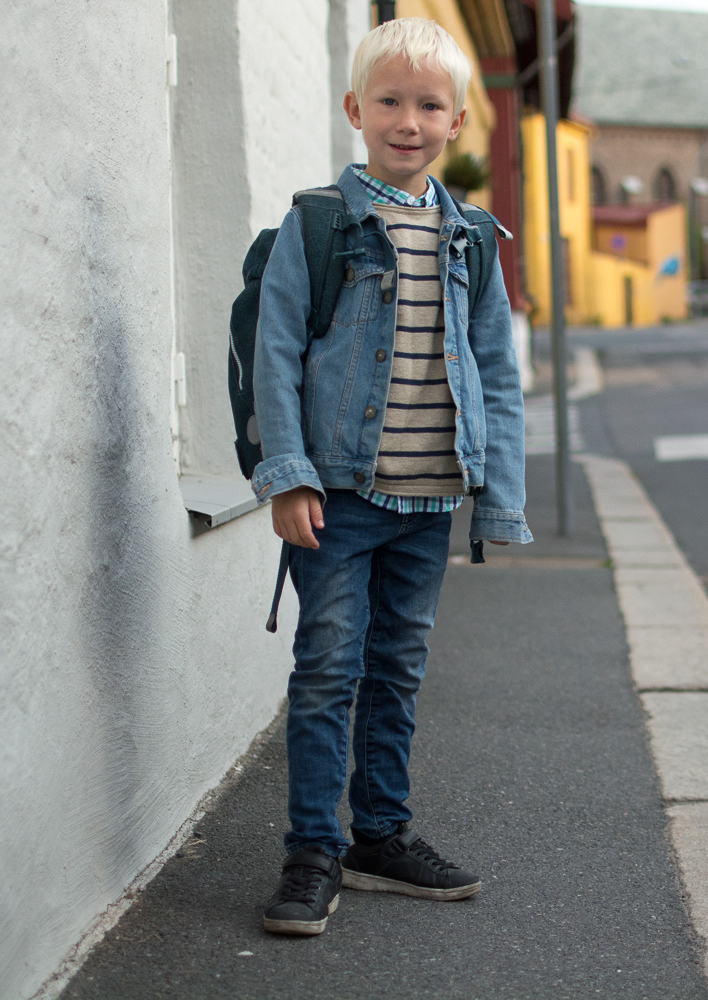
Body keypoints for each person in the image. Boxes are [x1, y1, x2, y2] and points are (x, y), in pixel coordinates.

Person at [250, 17, 530, 937]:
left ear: (456, 124)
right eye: (390, 102)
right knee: (328, 670)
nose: (408, 120)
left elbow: (496, 373)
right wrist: (287, 477)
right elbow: (277, 348)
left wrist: (500, 497)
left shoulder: (473, 239)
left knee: (396, 670)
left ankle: (379, 836)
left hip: (429, 501)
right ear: (355, 110)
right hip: (338, 497)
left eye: (429, 105)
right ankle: (311, 853)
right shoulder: (320, 223)